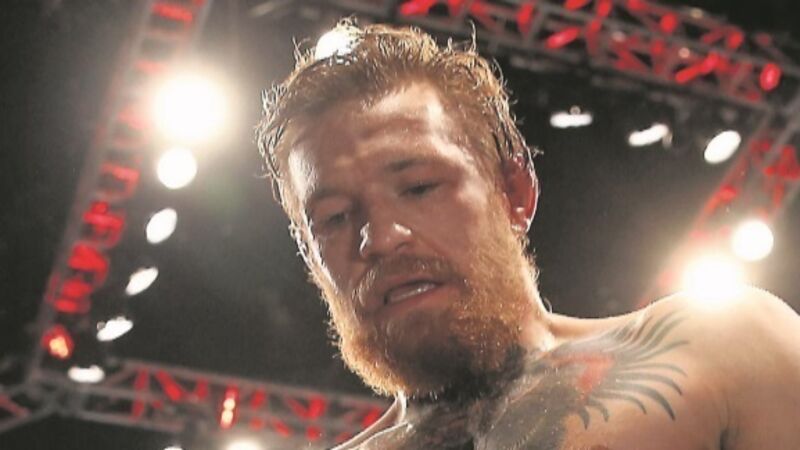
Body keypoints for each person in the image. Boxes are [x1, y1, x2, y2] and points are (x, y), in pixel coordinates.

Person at [256, 21, 800, 450]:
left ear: (513, 191)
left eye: (419, 187)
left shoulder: (726, 353)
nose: (380, 238)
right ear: (310, 256)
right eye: (334, 218)